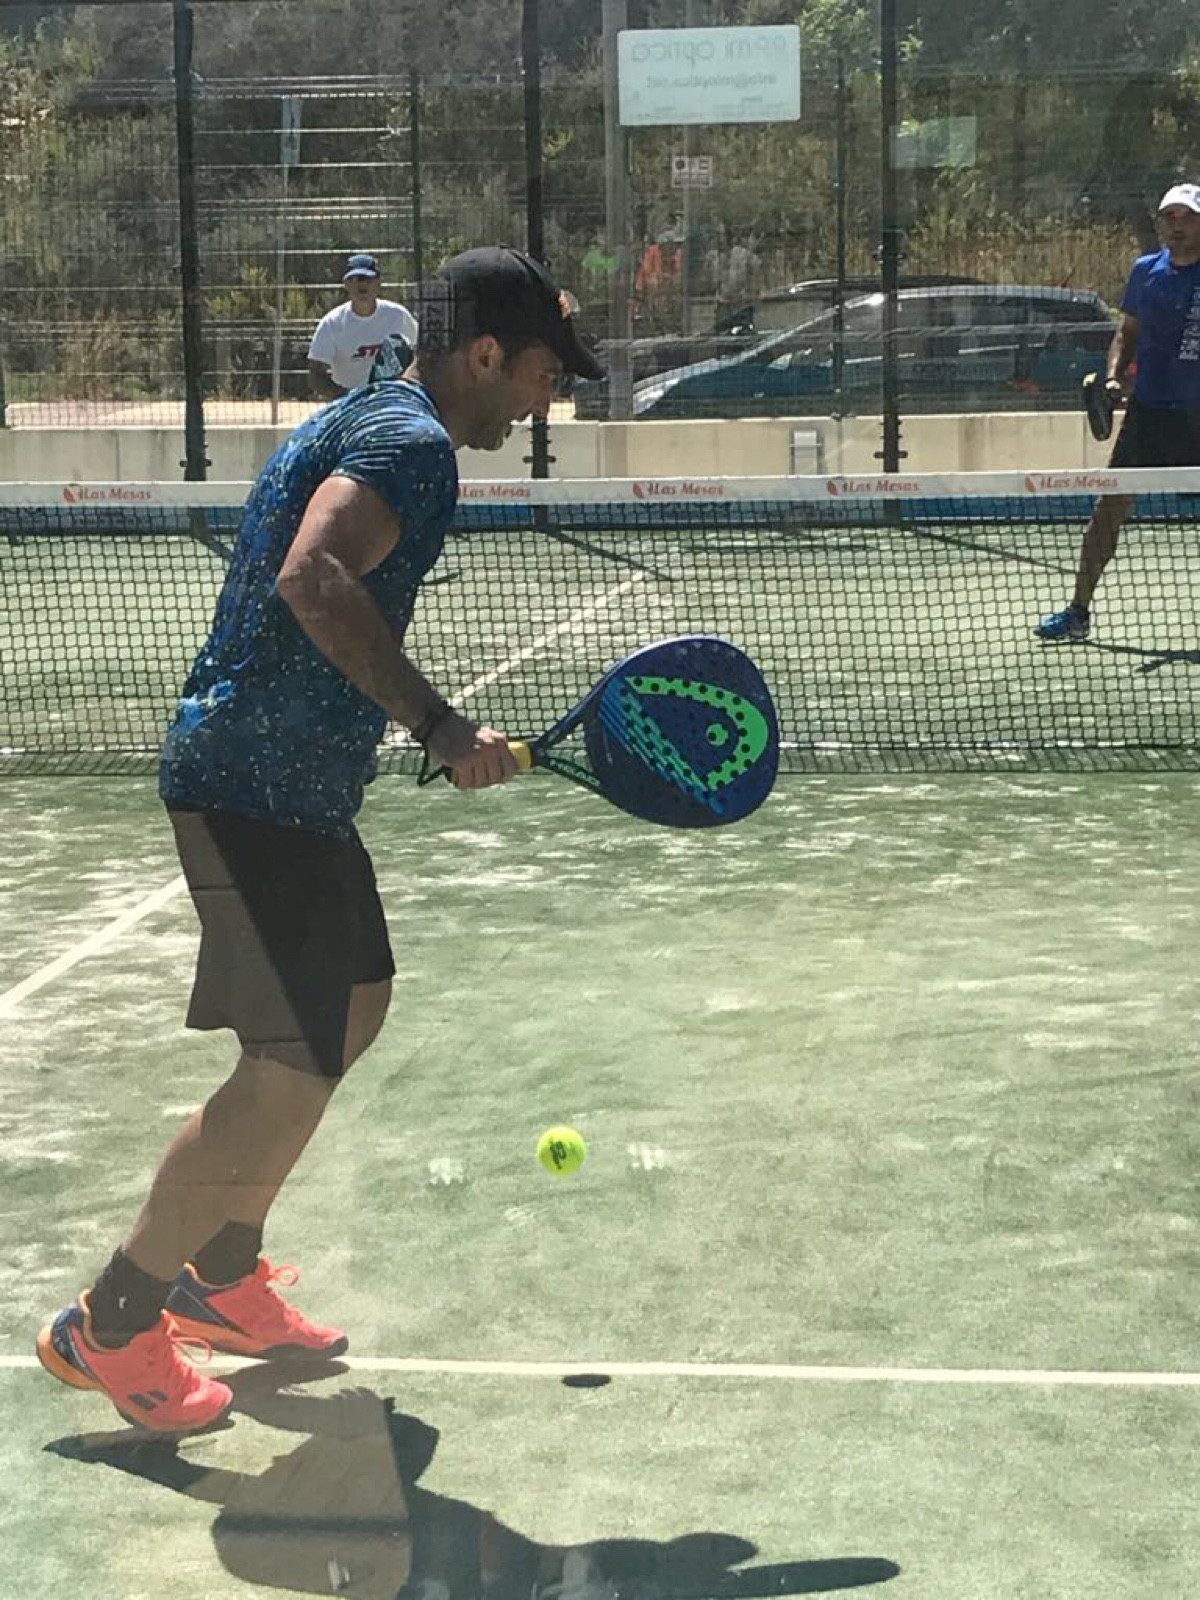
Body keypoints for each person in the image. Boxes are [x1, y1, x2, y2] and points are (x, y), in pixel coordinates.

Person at [36, 245, 604, 1436]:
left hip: (295, 789)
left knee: (353, 1005)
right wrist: (440, 725)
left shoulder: (384, 415)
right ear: (486, 353)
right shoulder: (412, 444)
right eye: (546, 373)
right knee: (286, 1065)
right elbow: (314, 574)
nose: (548, 399)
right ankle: (112, 1321)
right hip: (249, 783)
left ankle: (221, 1274)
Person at [1035, 182, 1200, 641]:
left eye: (1188, 217)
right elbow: (1127, 332)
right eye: (1170, 217)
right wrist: (1113, 376)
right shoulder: (1146, 272)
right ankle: (1077, 613)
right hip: (1148, 415)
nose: (1177, 226)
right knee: (1109, 508)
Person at [307, 252, 420, 402]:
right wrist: (351, 397)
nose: (362, 284)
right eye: (356, 279)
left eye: (368, 279)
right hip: (349, 403)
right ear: (346, 284)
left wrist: (406, 385)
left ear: (378, 283)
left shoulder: (398, 316)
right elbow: (316, 375)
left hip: (393, 401)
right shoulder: (332, 323)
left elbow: (421, 354)